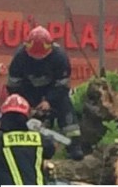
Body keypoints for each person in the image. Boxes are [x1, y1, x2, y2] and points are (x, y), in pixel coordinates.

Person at [6, 25, 84, 160]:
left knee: (66, 109)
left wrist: (49, 101)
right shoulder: (19, 58)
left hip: (54, 92)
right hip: (28, 93)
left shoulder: (59, 57)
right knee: (16, 115)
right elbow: (14, 86)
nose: (38, 59)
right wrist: (27, 105)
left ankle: (74, 147)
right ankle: (18, 150)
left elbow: (63, 85)